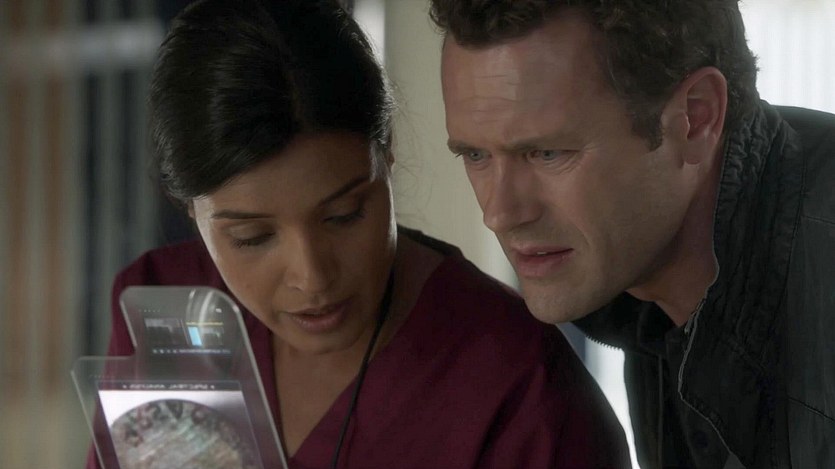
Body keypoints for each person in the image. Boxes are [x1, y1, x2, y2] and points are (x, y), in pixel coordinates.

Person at [85, 0, 631, 468]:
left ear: (386, 156)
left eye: (344, 215)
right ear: (188, 209)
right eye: (252, 237)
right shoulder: (167, 308)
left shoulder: (519, 389)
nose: (312, 278)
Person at [431, 0, 835, 467]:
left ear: (696, 118)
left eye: (547, 153)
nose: (500, 214)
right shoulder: (644, 287)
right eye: (475, 155)